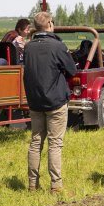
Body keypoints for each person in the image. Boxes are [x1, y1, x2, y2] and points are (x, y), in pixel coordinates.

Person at [23, 12, 77, 193]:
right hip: (55, 101)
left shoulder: (28, 47)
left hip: (35, 101)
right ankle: (56, 185)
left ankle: (32, 184)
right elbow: (72, 71)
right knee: (55, 144)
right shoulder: (57, 46)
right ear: (49, 24)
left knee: (36, 142)